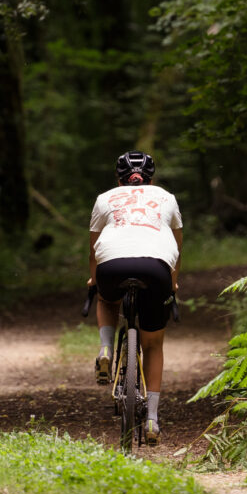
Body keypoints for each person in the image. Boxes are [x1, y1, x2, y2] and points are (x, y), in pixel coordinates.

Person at [88, 150, 183, 444]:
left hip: (112, 265)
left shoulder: (105, 199)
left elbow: (94, 250)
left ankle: (105, 350)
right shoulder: (166, 197)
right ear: (151, 178)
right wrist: (173, 283)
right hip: (156, 267)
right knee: (152, 345)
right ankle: (152, 418)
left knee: (106, 298)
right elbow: (177, 248)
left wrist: (94, 279)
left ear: (118, 179)